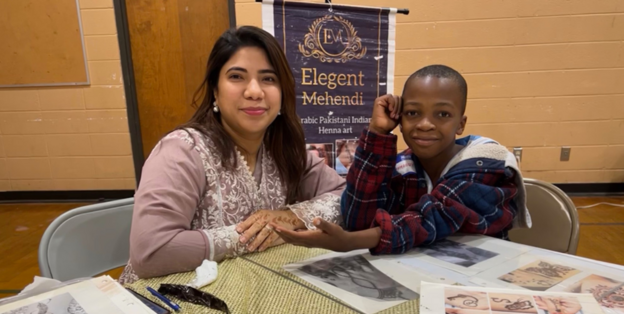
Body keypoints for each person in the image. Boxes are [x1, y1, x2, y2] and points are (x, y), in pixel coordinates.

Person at [120, 26, 345, 283]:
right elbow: (150, 252)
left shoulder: (285, 151)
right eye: (237, 77)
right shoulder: (182, 151)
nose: (254, 91)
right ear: (215, 90)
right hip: (163, 304)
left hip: (253, 288)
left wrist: (290, 218)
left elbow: (346, 198)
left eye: (269, 79)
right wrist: (257, 234)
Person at [272, 64, 530, 254]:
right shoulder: (404, 164)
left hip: (485, 275)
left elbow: (432, 217)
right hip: (427, 272)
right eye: (413, 112)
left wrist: (351, 242)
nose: (425, 124)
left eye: (442, 114)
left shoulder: (487, 161)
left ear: (461, 124)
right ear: (401, 120)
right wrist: (378, 133)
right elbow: (359, 217)